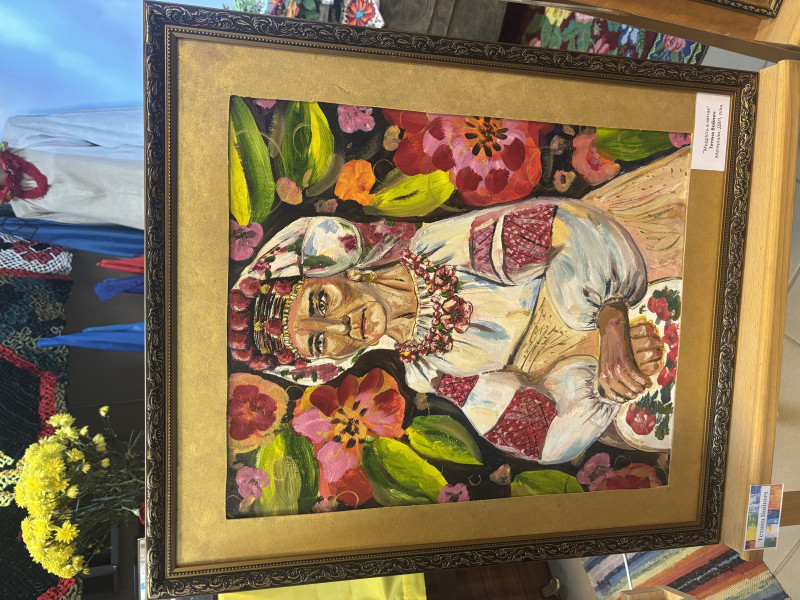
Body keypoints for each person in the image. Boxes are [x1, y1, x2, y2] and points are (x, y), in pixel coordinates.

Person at [228, 197, 666, 464]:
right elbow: (539, 438)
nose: (341, 324)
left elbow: (562, 228)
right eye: (320, 340)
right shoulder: (429, 370)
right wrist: (602, 385)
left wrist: (610, 324)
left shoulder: (437, 251)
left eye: (321, 302)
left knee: (574, 302)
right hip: (618, 373)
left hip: (621, 288)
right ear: (330, 359)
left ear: (338, 269)